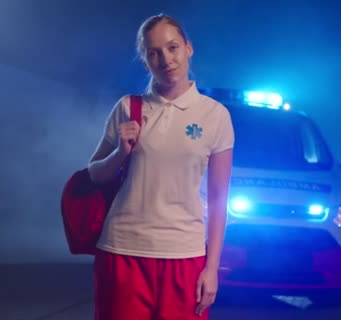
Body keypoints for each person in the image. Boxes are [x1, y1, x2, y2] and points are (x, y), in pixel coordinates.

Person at [87, 13, 234, 320]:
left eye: (172, 48)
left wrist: (212, 268)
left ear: (188, 48)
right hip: (123, 251)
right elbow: (95, 174)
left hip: (185, 256)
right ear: (145, 62)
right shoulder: (128, 108)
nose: (166, 59)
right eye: (154, 53)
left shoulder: (215, 116)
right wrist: (120, 153)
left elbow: (220, 200)